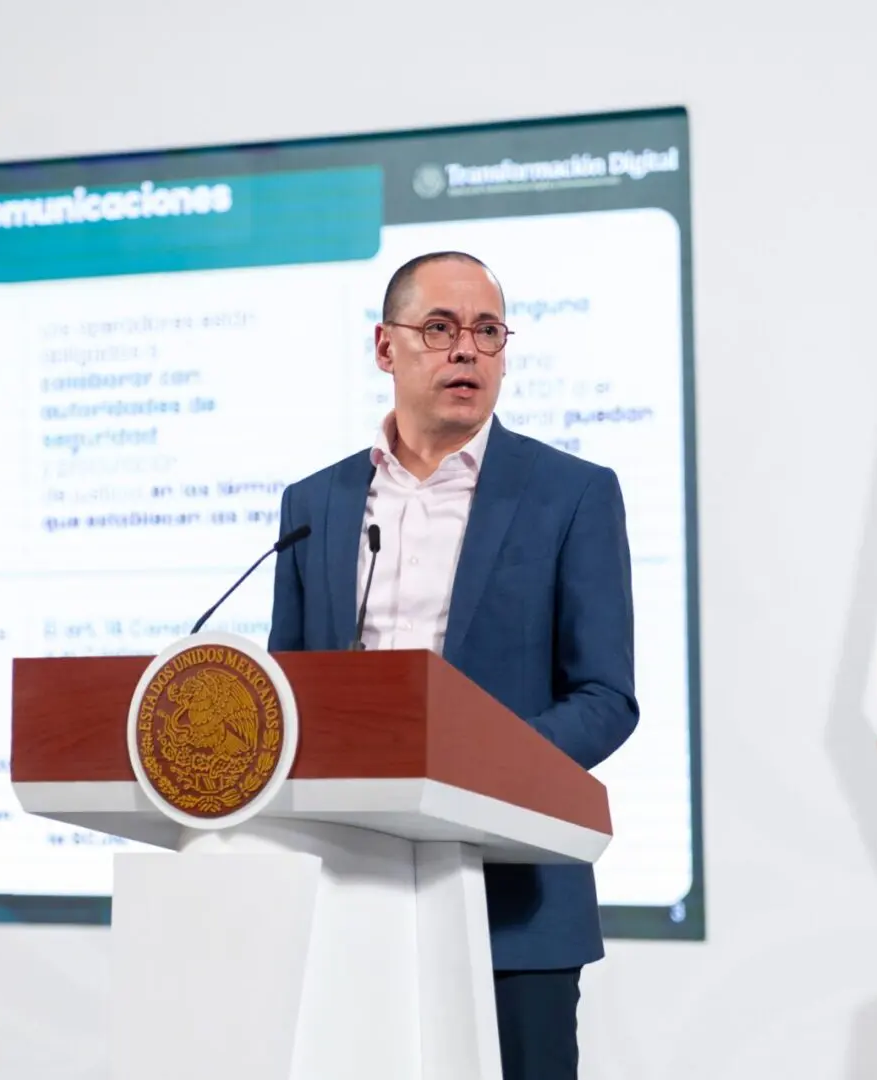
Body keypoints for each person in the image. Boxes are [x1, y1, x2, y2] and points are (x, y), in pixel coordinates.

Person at [266, 250, 640, 1078]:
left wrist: (476, 768)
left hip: (515, 899)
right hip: (349, 897)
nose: (465, 349)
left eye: (486, 331)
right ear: (384, 347)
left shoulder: (572, 494)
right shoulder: (314, 506)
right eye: (438, 328)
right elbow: (286, 696)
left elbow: (606, 696)